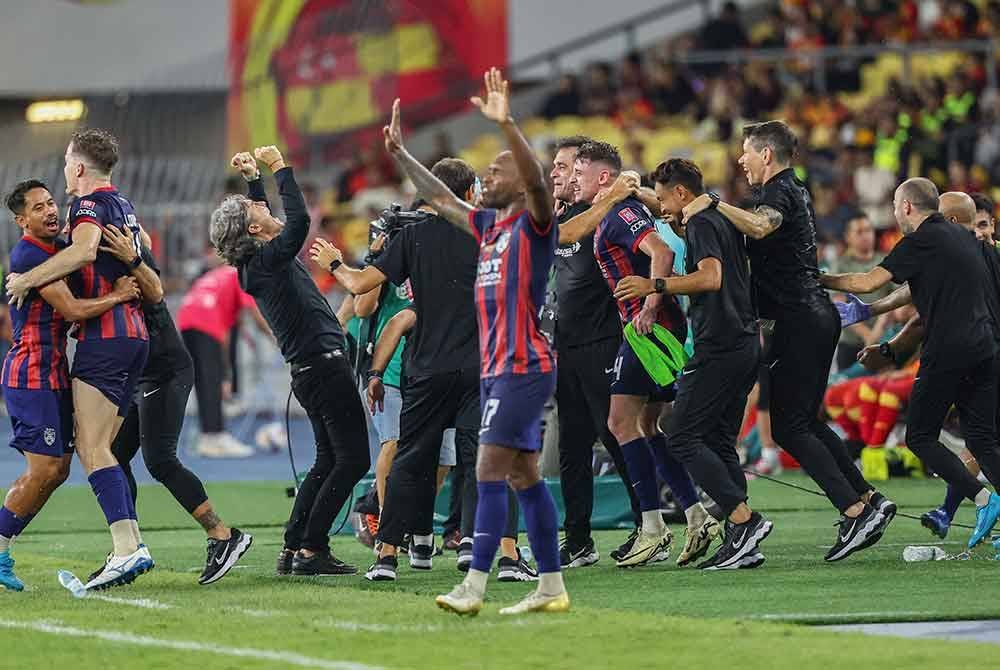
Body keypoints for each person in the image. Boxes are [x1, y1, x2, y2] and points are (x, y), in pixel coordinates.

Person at [379, 68, 566, 614]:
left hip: (524, 367)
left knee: (485, 469)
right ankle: (551, 587)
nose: (488, 173)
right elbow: (438, 199)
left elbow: (535, 180)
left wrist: (508, 126)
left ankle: (475, 585)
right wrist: (401, 155)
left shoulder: (536, 223)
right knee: (524, 476)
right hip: (497, 369)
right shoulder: (490, 228)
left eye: (497, 167)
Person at [683, 121, 894, 561]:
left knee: (791, 427)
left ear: (766, 155)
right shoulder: (789, 190)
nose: (740, 159)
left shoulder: (778, 194)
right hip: (807, 316)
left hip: (801, 320)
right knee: (805, 422)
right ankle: (868, 500)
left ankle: (855, 510)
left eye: (746, 151)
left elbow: (760, 228)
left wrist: (713, 203)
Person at [311, 157, 485, 583]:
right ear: (467, 195)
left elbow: (359, 289)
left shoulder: (411, 238)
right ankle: (470, 546)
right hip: (477, 366)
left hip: (425, 369)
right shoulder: (486, 234)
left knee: (408, 459)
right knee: (474, 460)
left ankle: (387, 555)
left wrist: (335, 263)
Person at [6, 130, 157, 588]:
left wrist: (25, 279)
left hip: (101, 343)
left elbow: (84, 254)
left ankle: (128, 549)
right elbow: (146, 257)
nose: (53, 208)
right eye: (39, 207)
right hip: (127, 339)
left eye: (51, 201)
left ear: (76, 169)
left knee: (89, 452)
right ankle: (128, 546)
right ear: (21, 220)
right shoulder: (123, 207)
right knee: (77, 458)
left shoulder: (86, 209)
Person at [211, 146, 370, 576]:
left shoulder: (257, 262)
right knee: (353, 460)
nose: (261, 206)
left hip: (312, 370)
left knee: (327, 460)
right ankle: (312, 549)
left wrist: (252, 180)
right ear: (252, 227)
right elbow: (298, 221)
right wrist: (279, 168)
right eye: (253, 207)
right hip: (323, 367)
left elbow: (267, 216)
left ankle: (294, 545)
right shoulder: (266, 260)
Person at [821, 178, 1000, 549]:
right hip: (985, 349)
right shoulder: (968, 241)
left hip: (948, 348)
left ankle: (984, 499)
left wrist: (816, 278)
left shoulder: (922, 240)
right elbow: (917, 287)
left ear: (905, 207)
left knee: (919, 435)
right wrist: (877, 318)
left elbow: (869, 281)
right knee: (982, 439)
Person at [616, 158, 772, 569]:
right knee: (719, 440)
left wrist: (655, 285)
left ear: (682, 194)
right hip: (743, 341)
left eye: (665, 198)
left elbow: (710, 278)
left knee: (679, 432)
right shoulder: (718, 217)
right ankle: (742, 540)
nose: (662, 208)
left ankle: (745, 521)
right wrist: (636, 193)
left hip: (719, 345)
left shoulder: (701, 223)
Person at [574, 141, 714, 568]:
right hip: (645, 325)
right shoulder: (612, 213)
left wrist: (651, 305)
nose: (574, 180)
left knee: (620, 422)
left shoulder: (619, 213)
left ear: (603, 178)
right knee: (647, 425)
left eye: (580, 172)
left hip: (648, 326)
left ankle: (653, 529)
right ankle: (696, 515)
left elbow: (663, 252)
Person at [100, 221, 253, 585]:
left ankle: (223, 535)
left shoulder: (133, 262)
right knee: (114, 456)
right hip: (142, 371)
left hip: (165, 369)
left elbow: (155, 289)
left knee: (160, 460)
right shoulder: (116, 259)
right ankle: (129, 548)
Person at [366, 306, 534, 582]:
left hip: (427, 376)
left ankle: (389, 555)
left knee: (412, 461)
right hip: (475, 372)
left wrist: (375, 373)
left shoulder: (426, 279)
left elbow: (394, 317)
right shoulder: (485, 277)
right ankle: (503, 556)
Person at [548, 135, 640, 568]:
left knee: (616, 436)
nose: (556, 174)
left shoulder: (611, 212)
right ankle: (579, 539)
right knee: (572, 447)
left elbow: (653, 208)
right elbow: (562, 234)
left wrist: (628, 189)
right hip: (564, 346)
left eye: (565, 168)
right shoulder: (560, 218)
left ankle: (649, 523)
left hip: (604, 340)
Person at [178, 264, 271, 457]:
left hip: (186, 318)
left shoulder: (220, 274)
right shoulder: (242, 276)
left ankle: (207, 436)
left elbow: (229, 326)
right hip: (205, 320)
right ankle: (214, 436)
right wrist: (277, 338)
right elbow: (255, 315)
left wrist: (225, 374)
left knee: (204, 381)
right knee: (212, 380)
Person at [829, 215, 892, 371]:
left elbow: (893, 300)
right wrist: (868, 336)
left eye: (868, 230)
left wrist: (876, 334)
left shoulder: (887, 261)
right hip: (850, 345)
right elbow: (840, 306)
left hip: (884, 340)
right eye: (859, 232)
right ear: (848, 237)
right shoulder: (839, 266)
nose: (866, 235)